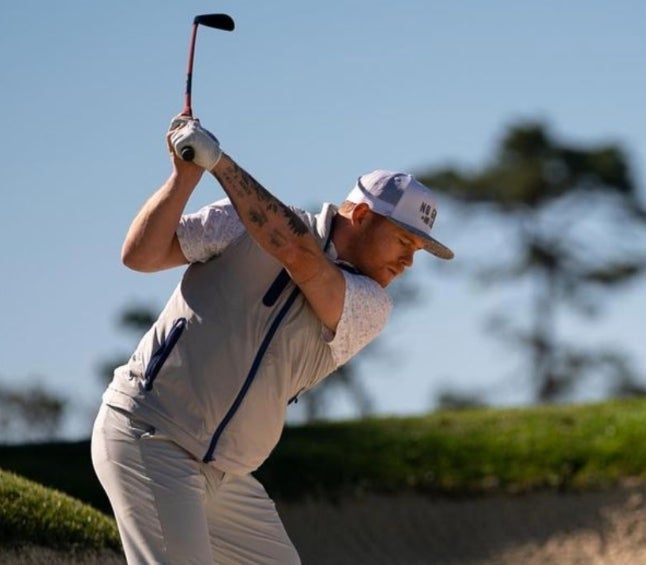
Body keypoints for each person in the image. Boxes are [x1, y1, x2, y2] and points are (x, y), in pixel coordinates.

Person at [91, 115, 454, 564]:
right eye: (404, 242)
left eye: (417, 251)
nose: (408, 263)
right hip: (151, 433)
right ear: (360, 215)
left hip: (226, 474)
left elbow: (299, 257)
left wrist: (219, 164)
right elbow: (141, 255)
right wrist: (185, 177)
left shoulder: (370, 304)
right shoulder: (241, 225)